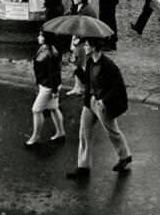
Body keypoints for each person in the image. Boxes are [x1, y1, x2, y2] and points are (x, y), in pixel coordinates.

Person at [66, 38, 132, 179]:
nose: (85, 47)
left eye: (88, 45)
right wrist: (77, 70)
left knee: (112, 131)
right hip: (91, 101)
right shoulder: (90, 61)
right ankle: (83, 167)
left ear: (95, 47)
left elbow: (117, 87)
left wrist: (105, 100)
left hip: (102, 104)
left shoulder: (108, 66)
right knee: (84, 133)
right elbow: (87, 81)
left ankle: (125, 156)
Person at [26, 31, 67, 145]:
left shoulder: (49, 53)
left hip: (48, 86)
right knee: (53, 108)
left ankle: (36, 136)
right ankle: (60, 132)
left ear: (45, 38)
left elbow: (53, 73)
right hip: (48, 85)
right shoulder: (46, 49)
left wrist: (54, 90)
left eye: (41, 35)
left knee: (36, 110)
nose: (38, 37)